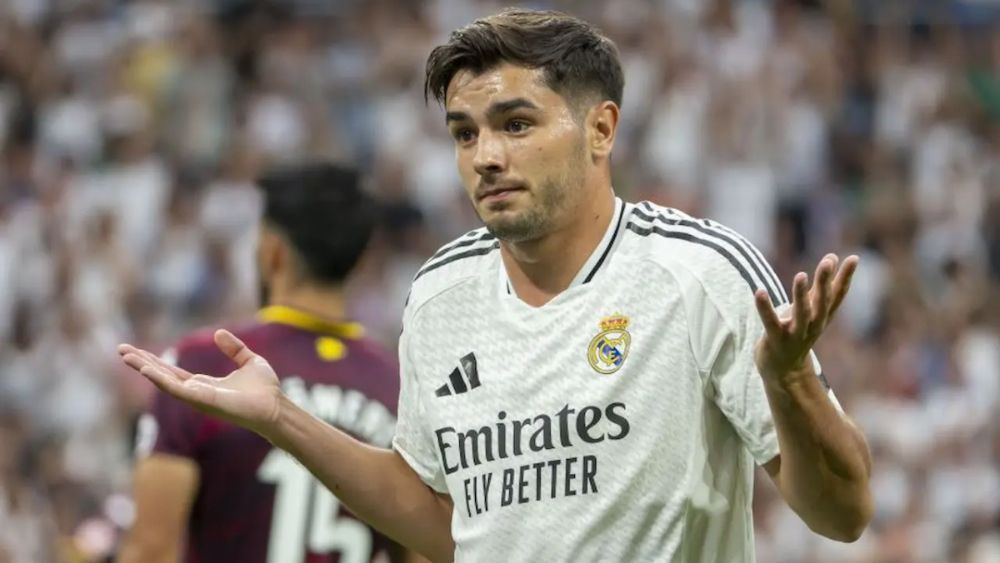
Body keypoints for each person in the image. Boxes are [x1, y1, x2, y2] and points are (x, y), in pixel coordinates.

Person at [118, 9, 873, 563]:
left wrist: (789, 382)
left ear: (601, 130)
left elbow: (843, 512)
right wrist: (281, 417)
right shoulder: (442, 293)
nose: (484, 156)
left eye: (515, 124)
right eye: (464, 132)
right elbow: (444, 522)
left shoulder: (698, 273)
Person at [116, 162, 422, 563]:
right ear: (361, 260)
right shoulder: (401, 387)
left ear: (271, 250)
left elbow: (152, 549)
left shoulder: (203, 364)